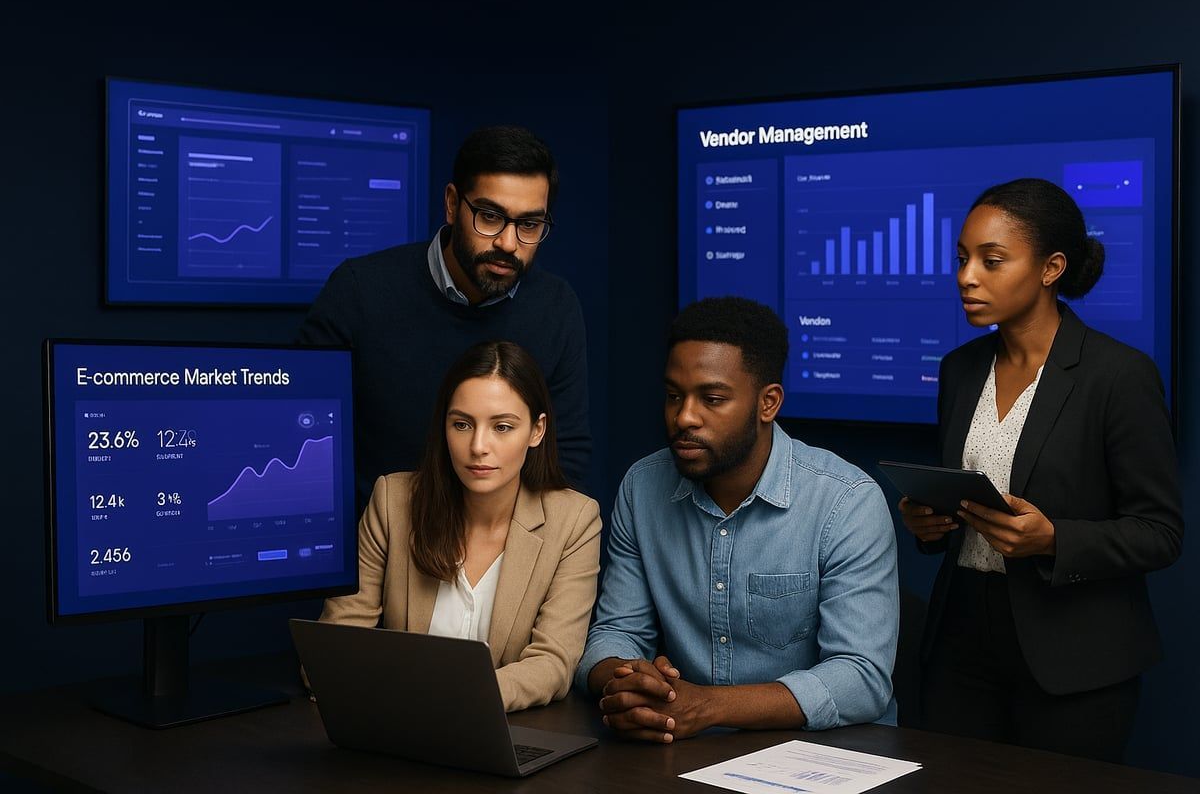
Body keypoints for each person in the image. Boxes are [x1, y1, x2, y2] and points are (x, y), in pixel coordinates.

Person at [900, 178, 1183, 762]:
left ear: (1052, 268)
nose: (966, 276)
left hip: (1074, 656)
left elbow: (1161, 533)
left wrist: (1054, 540)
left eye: (991, 260)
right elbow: (966, 494)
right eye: (962, 259)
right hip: (960, 643)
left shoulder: (1119, 375)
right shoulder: (959, 369)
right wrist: (930, 524)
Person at [575, 297, 898, 742]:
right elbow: (616, 631)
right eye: (673, 396)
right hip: (684, 747)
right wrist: (627, 683)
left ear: (768, 403)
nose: (684, 417)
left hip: (824, 755)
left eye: (712, 399)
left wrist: (708, 706)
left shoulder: (847, 502)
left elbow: (861, 679)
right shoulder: (642, 487)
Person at [298, 126, 590, 510]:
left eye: (529, 225)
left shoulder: (555, 307)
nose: (507, 243)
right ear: (452, 204)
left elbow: (565, 459)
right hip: (382, 544)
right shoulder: (359, 292)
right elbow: (304, 434)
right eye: (489, 216)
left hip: (504, 552)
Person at [318, 341, 602, 712]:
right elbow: (336, 646)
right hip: (395, 728)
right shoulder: (393, 501)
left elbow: (553, 665)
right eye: (462, 424)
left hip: (505, 733)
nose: (478, 446)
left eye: (502, 426)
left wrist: (452, 696)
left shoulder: (575, 521)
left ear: (536, 430)